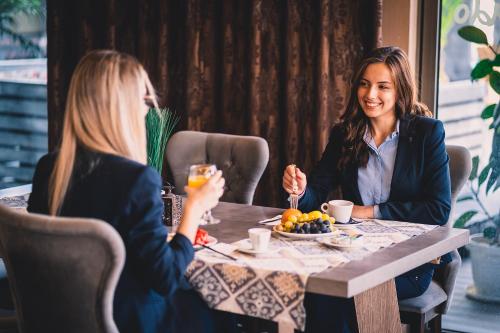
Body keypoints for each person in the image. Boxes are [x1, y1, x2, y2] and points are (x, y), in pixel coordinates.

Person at [27, 50, 225, 333]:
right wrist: (193, 208)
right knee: (213, 312)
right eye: (142, 100)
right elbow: (165, 277)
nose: (146, 110)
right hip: (128, 322)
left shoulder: (48, 169)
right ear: (121, 109)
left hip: (59, 321)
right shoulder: (137, 180)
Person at [282, 46, 451, 332]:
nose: (370, 94)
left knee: (340, 294)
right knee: (319, 290)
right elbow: (316, 197)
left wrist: (370, 212)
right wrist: (300, 189)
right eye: (364, 84)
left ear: (400, 90)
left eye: (382, 86)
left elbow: (438, 209)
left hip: (409, 262)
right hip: (351, 253)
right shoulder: (345, 134)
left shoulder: (427, 134)